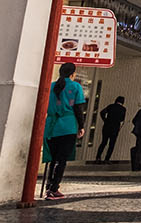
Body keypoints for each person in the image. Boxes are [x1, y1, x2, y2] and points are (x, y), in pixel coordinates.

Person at [43, 64, 86, 199]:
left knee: (53, 158)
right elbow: (78, 108)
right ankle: (54, 188)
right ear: (72, 74)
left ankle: (49, 186)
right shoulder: (75, 87)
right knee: (61, 159)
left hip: (51, 125)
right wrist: (81, 126)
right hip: (68, 125)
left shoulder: (51, 86)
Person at [95, 95, 127, 164]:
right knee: (111, 144)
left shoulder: (110, 106)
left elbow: (102, 112)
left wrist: (105, 120)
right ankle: (107, 159)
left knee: (103, 142)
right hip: (115, 127)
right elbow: (122, 119)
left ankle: (98, 157)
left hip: (107, 126)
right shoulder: (123, 109)